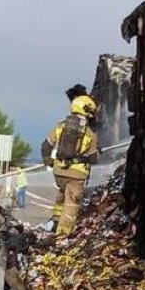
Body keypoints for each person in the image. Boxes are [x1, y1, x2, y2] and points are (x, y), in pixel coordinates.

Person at [41, 94, 99, 236]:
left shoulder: (60, 127)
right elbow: (93, 158)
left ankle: (54, 223)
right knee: (71, 205)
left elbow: (45, 146)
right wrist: (98, 151)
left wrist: (49, 161)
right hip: (76, 175)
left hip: (59, 171)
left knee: (61, 197)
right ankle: (62, 236)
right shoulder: (90, 134)